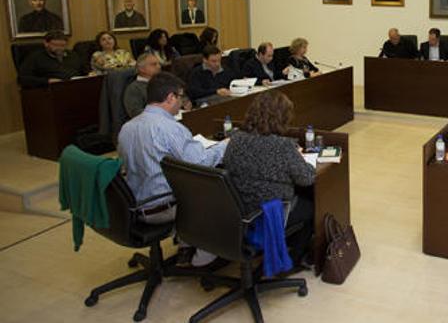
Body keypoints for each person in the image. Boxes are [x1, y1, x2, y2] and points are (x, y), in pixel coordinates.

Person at [118, 72, 227, 267]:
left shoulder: (127, 127)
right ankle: (205, 258)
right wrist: (225, 145)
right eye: (181, 97)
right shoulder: (170, 128)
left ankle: (186, 244)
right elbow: (200, 162)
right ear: (170, 98)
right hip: (162, 207)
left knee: (180, 181)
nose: (182, 102)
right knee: (222, 193)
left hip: (134, 203)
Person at [224, 91, 315, 266]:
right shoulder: (283, 146)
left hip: (240, 210)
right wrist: (302, 158)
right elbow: (307, 178)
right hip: (271, 212)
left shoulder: (235, 139)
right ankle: (294, 257)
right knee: (312, 204)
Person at [18, 30, 83, 88]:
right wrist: (47, 81)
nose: (59, 48)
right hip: (49, 91)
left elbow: (82, 71)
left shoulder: (72, 55)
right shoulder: (36, 57)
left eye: (63, 45)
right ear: (46, 43)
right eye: (55, 45)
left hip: (74, 87)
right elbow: (23, 79)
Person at [123, 53, 162, 118]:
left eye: (159, 64)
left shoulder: (162, 82)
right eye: (154, 64)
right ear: (141, 69)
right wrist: (162, 110)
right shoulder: (134, 89)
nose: (159, 67)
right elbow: (135, 113)